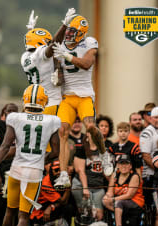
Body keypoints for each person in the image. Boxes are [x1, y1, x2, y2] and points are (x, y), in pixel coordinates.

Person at [0, 84, 61, 226]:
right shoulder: (52, 120)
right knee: (24, 217)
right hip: (34, 172)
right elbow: (56, 151)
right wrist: (42, 159)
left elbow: (5, 146)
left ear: (25, 99)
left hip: (17, 169)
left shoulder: (15, 117)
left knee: (10, 212)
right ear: (44, 101)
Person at [52, 14, 106, 189]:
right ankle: (62, 174)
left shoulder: (89, 43)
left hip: (84, 96)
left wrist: (66, 56)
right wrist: (56, 76)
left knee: (90, 127)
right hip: (67, 96)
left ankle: (104, 155)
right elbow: (60, 73)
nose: (69, 34)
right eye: (68, 30)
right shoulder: (62, 45)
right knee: (62, 131)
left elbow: (87, 63)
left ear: (81, 33)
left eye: (73, 31)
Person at [102, 155, 144, 226]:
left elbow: (129, 195)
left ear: (130, 166)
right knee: (105, 200)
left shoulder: (134, 176)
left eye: (126, 164)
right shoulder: (114, 176)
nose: (123, 166)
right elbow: (110, 192)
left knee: (119, 203)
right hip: (121, 204)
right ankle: (122, 213)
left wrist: (113, 199)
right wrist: (107, 197)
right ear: (118, 165)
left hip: (135, 202)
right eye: (121, 163)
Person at [140, 106, 158, 226]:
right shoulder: (147, 132)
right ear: (150, 118)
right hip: (151, 177)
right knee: (157, 212)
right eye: (156, 117)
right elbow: (146, 156)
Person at [30, 160, 72, 226]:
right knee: (67, 207)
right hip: (40, 211)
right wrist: (69, 184)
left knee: (70, 205)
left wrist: (51, 206)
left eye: (61, 170)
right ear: (51, 171)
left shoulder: (61, 178)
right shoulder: (46, 184)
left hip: (52, 205)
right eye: (56, 170)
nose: (59, 172)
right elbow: (63, 201)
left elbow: (64, 200)